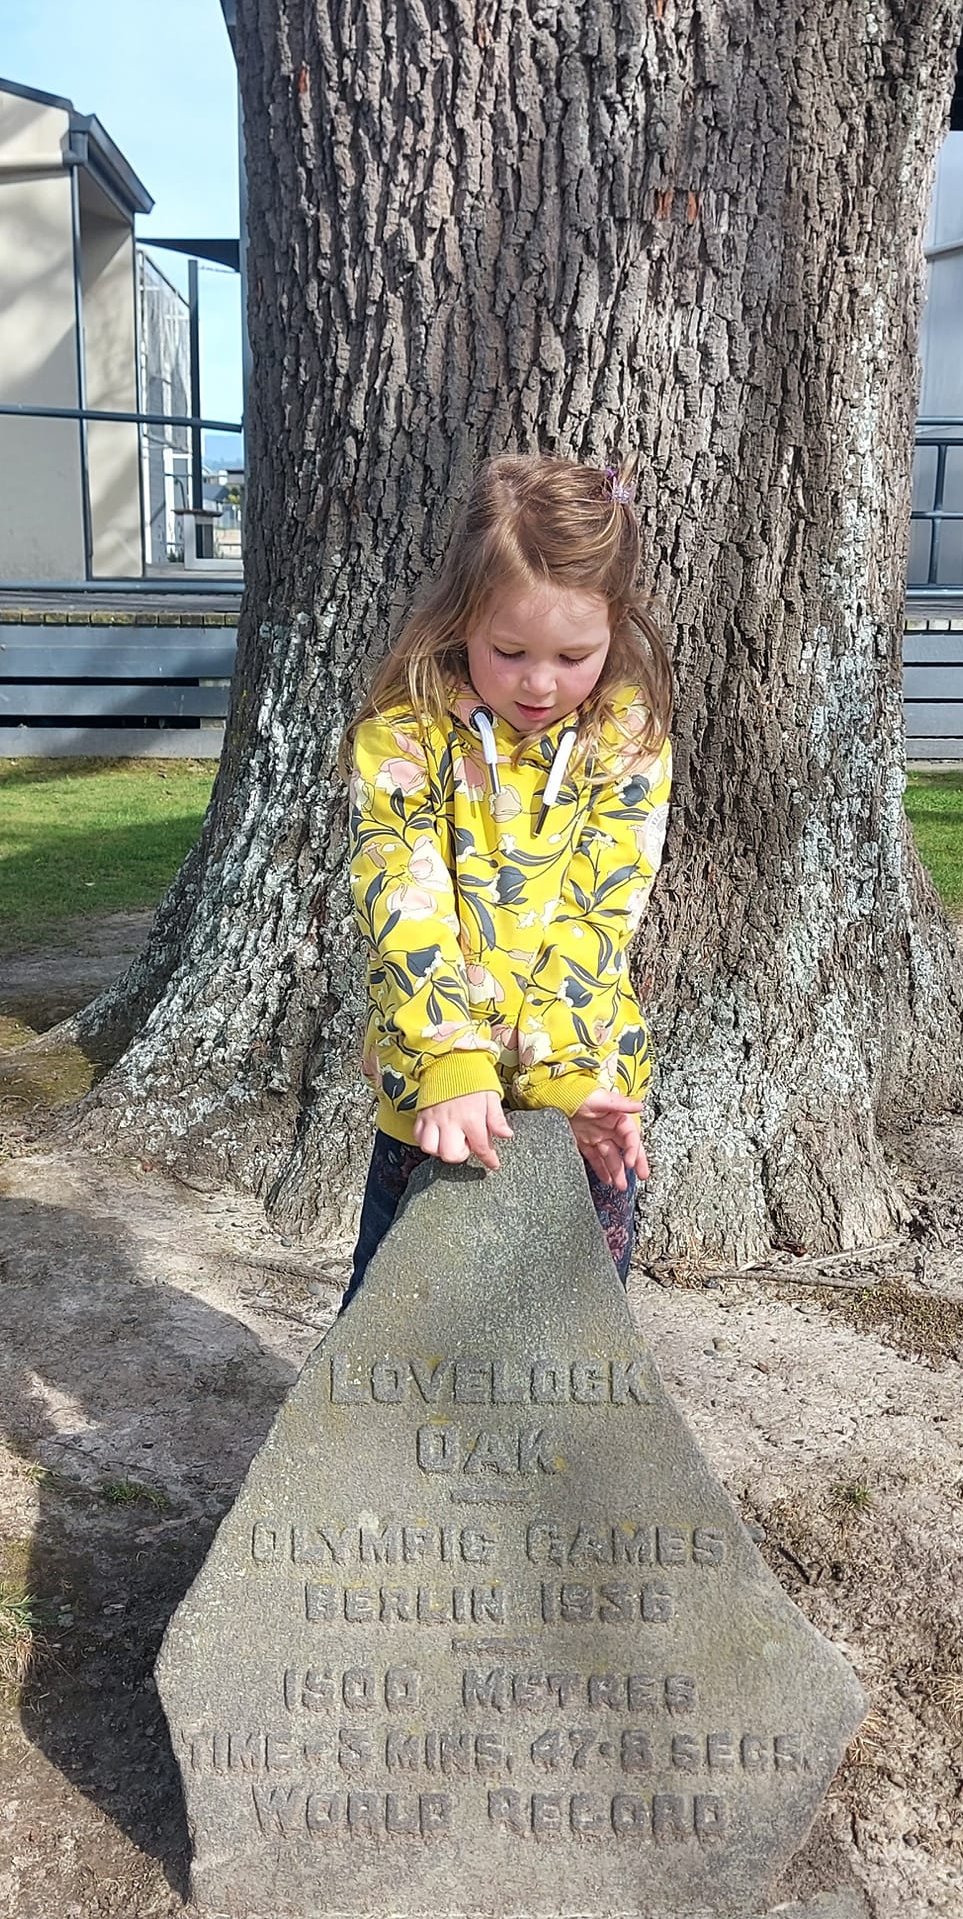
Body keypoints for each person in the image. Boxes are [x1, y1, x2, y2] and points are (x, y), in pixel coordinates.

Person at [340, 452, 674, 1306]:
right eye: (509, 649)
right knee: (398, 1337)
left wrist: (562, 1079)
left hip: (583, 1094)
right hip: (436, 1100)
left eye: (573, 655)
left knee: (570, 1356)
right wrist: (452, 1061)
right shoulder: (406, 735)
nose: (538, 682)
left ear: (615, 629)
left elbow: (599, 916)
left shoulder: (628, 739)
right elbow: (401, 905)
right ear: (461, 619)